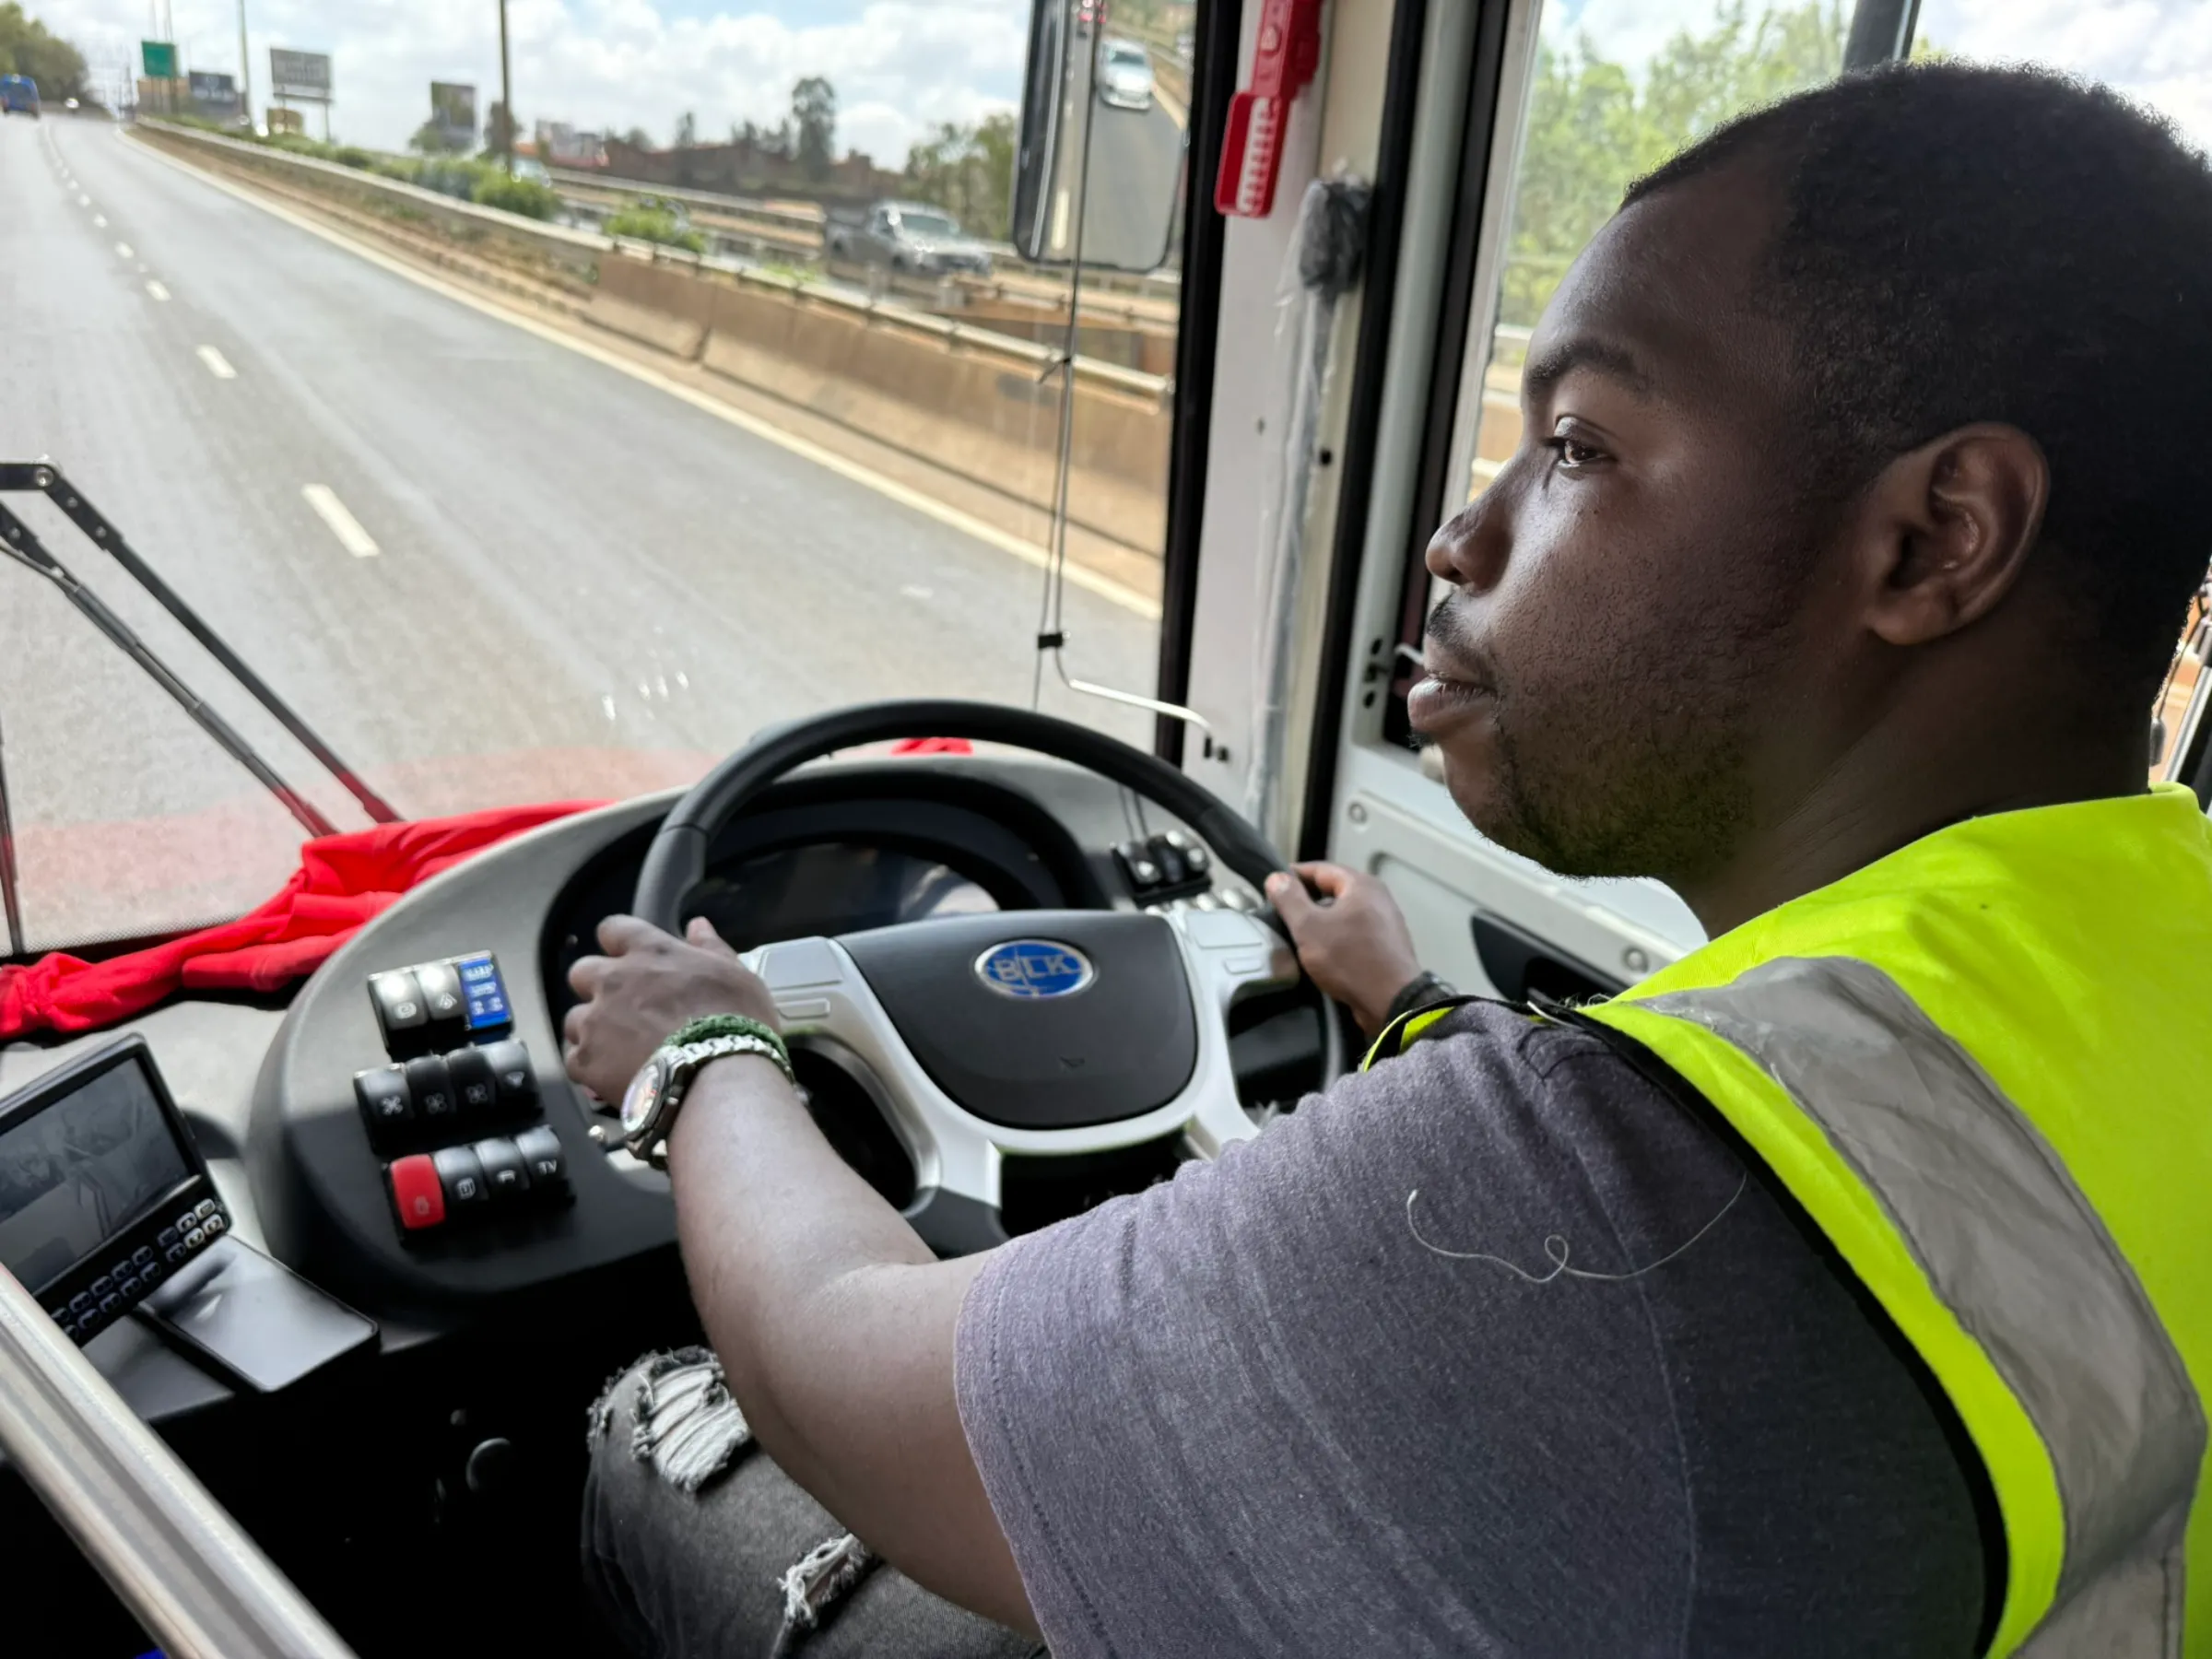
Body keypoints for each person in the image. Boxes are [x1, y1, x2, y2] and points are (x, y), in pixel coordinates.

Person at [570, 62, 2212, 1658]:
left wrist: (709, 1053)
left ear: (1936, 539)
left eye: (1576, 445)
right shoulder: (2121, 974)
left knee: (659, 1437)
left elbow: (857, 1374)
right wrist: (1415, 1005)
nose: (1460, 540)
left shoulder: (1633, 1199)